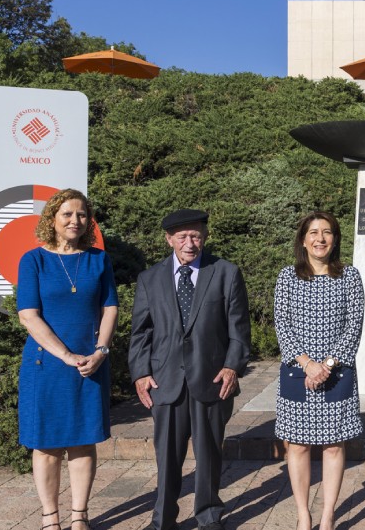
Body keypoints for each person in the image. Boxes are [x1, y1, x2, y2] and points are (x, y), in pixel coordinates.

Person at [129, 209, 251, 530]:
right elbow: (141, 332)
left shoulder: (225, 273)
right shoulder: (150, 279)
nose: (189, 243)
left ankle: (209, 515)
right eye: (182, 237)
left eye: (195, 235)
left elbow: (239, 329)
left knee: (209, 454)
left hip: (211, 379)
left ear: (205, 236)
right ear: (168, 239)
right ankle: (163, 519)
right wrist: (141, 372)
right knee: (167, 457)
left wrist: (232, 366)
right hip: (165, 381)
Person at [17, 188, 118, 530]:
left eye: (82, 215)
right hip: (46, 365)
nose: (75, 220)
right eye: (67, 214)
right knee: (46, 444)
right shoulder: (33, 260)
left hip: (91, 364)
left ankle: (79, 516)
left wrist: (101, 351)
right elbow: (28, 315)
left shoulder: (98, 259)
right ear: (52, 219)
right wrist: (66, 355)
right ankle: (50, 516)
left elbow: (110, 308)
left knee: (82, 440)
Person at [274, 211, 364, 530]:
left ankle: (327, 515)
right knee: (297, 444)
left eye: (327, 232)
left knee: (333, 444)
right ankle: (303, 514)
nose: (320, 238)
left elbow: (354, 326)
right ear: (303, 239)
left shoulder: (350, 276)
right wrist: (307, 363)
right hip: (298, 371)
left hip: (336, 372)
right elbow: (282, 324)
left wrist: (326, 364)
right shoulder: (288, 276)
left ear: (335, 239)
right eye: (313, 232)